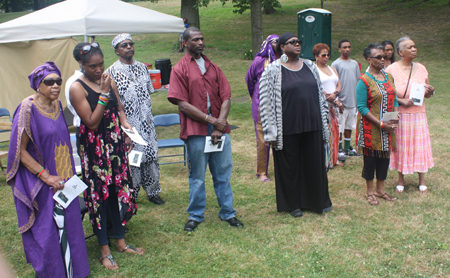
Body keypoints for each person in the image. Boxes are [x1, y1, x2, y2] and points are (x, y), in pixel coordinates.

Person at [7, 62, 90, 277]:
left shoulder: (56, 105)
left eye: (58, 81)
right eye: (49, 82)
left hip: (64, 177)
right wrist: (46, 176)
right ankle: (53, 272)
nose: (55, 85)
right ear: (38, 85)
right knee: (46, 228)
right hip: (42, 180)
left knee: (70, 221)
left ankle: (76, 270)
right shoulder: (27, 109)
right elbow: (19, 151)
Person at [69, 43, 145, 270]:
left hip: (114, 144)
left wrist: (126, 129)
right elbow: (91, 122)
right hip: (95, 148)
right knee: (99, 197)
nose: (98, 69)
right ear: (81, 65)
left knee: (115, 192)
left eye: (101, 63)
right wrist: (102, 93)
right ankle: (104, 250)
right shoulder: (76, 88)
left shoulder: (108, 79)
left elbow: (119, 108)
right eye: (92, 66)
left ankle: (120, 242)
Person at [168, 27, 244, 232]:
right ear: (185, 43)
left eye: (202, 39)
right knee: (197, 176)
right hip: (196, 130)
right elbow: (182, 104)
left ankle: (228, 212)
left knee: (223, 173)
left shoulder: (213, 67)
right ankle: (195, 215)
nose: (200, 42)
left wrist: (219, 123)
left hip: (219, 127)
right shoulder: (179, 69)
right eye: (195, 40)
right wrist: (211, 120)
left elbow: (226, 96)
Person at [259, 32, 332, 217]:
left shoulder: (309, 66)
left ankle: (317, 201)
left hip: (312, 124)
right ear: (282, 47)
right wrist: (270, 132)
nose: (297, 44)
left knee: (314, 164)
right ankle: (293, 204)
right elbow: (265, 102)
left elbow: (319, 94)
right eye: (292, 42)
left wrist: (324, 120)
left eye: (298, 41)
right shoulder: (273, 69)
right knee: (289, 166)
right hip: (287, 127)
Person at [106, 33, 164, 205]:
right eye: (124, 45)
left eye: (130, 44)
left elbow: (149, 93)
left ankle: (153, 191)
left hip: (147, 123)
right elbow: (113, 104)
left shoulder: (142, 68)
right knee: (134, 160)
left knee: (152, 157)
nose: (129, 47)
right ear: (116, 50)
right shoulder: (110, 73)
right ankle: (132, 194)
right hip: (128, 125)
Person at [385, 36, 435, 194]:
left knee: (419, 146)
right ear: (400, 52)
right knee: (400, 146)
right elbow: (386, 94)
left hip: (418, 115)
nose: (414, 49)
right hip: (400, 115)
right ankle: (401, 179)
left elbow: (426, 95)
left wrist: (431, 91)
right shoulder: (391, 70)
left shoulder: (422, 68)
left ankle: (422, 180)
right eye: (409, 47)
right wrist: (401, 101)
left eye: (414, 46)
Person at [356, 43, 399, 205]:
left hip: (388, 126)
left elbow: (394, 97)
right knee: (371, 159)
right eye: (378, 57)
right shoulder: (364, 80)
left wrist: (395, 116)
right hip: (371, 128)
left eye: (384, 56)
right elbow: (361, 107)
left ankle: (380, 190)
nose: (383, 59)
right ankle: (369, 192)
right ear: (369, 60)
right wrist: (381, 124)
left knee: (384, 158)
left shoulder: (388, 77)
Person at [245, 34, 280, 182]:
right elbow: (249, 78)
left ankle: (281, 169)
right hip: (262, 105)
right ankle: (261, 172)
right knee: (262, 140)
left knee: (280, 139)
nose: (278, 44)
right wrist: (255, 97)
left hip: (280, 105)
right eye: (275, 42)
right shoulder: (260, 61)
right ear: (268, 44)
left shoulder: (284, 61)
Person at [313, 43, 345, 167]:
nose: (326, 57)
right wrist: (328, 96)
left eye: (328, 54)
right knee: (325, 133)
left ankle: (334, 158)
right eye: (323, 55)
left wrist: (335, 94)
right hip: (323, 105)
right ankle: (325, 161)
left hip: (335, 104)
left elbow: (339, 84)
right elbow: (317, 86)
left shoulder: (332, 69)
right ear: (316, 56)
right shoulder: (314, 69)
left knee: (335, 131)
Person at [331, 39, 361, 157]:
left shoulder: (354, 64)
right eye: (344, 47)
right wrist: (337, 100)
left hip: (353, 101)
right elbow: (334, 83)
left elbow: (358, 81)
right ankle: (339, 149)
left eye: (349, 47)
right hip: (341, 101)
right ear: (339, 49)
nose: (347, 49)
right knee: (340, 127)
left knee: (349, 126)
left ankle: (347, 148)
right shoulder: (336, 64)